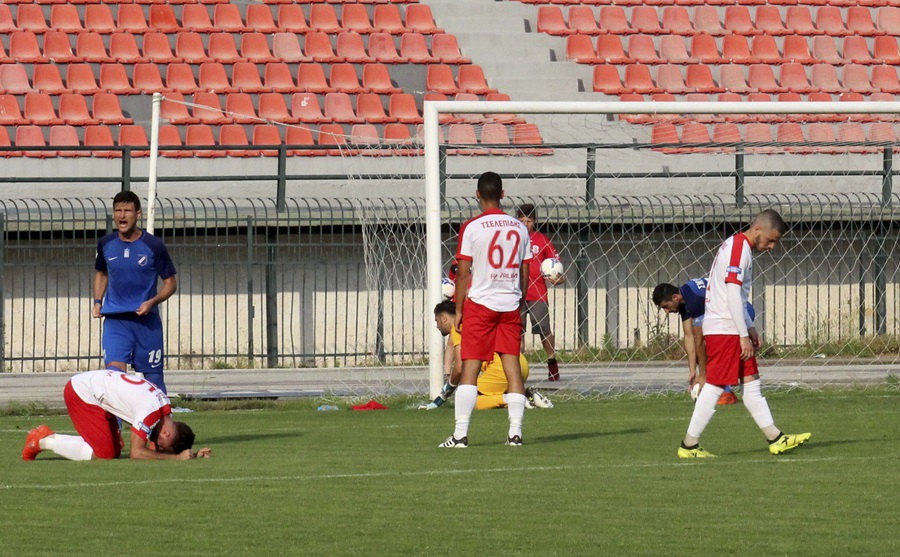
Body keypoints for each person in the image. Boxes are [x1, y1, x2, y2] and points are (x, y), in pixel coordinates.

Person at [677, 209, 811, 458]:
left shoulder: (741, 248)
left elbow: (738, 295)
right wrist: (741, 334)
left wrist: (749, 326)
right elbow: (730, 293)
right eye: (771, 240)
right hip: (725, 329)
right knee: (716, 386)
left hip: (731, 327)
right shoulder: (739, 249)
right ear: (758, 229)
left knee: (752, 384)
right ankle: (689, 445)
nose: (772, 247)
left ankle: (776, 438)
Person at [439, 171, 532, 448]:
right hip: (510, 304)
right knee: (512, 366)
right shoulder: (520, 227)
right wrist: (520, 300)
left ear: (477, 194)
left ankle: (460, 435)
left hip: (480, 304)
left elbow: (464, 273)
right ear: (503, 195)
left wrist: (459, 309)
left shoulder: (472, 227)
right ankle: (515, 433)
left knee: (470, 368)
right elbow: (524, 270)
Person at [22, 367, 211, 461]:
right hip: (82, 392)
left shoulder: (163, 407)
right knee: (105, 454)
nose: (157, 447)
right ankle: (41, 441)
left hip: (97, 391)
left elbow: (150, 448)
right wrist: (175, 458)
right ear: (166, 434)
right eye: (162, 446)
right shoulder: (150, 412)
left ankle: (48, 437)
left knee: (114, 449)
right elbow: (137, 453)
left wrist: (193, 455)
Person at [92, 191, 177, 394]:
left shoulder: (154, 246)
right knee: (114, 378)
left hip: (146, 322)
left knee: (154, 382)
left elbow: (171, 284)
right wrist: (97, 301)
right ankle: (117, 426)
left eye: (127, 210)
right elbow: (101, 273)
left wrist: (152, 302)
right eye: (118, 211)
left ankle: (160, 426)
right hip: (116, 320)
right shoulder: (106, 244)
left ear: (137, 214)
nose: (122, 215)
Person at [423, 301, 553, 411]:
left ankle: (515, 399)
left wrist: (444, 394)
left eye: (437, 321)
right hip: (519, 362)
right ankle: (527, 395)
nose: (437, 326)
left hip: (501, 368)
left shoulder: (458, 328)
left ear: (444, 318)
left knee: (466, 400)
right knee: (483, 394)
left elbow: (460, 367)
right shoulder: (474, 321)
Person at [652, 278, 757, 405]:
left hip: (741, 313)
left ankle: (726, 393)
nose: (667, 311)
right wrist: (692, 371)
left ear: (675, 298)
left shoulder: (695, 300)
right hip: (729, 314)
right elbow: (689, 336)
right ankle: (727, 389)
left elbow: (699, 340)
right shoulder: (685, 298)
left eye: (666, 307)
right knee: (707, 352)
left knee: (713, 350)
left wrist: (702, 375)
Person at [516, 204, 565, 381]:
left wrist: (560, 278)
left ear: (534, 222)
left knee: (544, 330)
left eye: (529, 221)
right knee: (517, 333)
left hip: (537, 293)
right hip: (516, 294)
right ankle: (517, 369)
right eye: (521, 221)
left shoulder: (542, 240)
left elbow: (556, 266)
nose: (525, 224)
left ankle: (552, 363)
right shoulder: (513, 240)